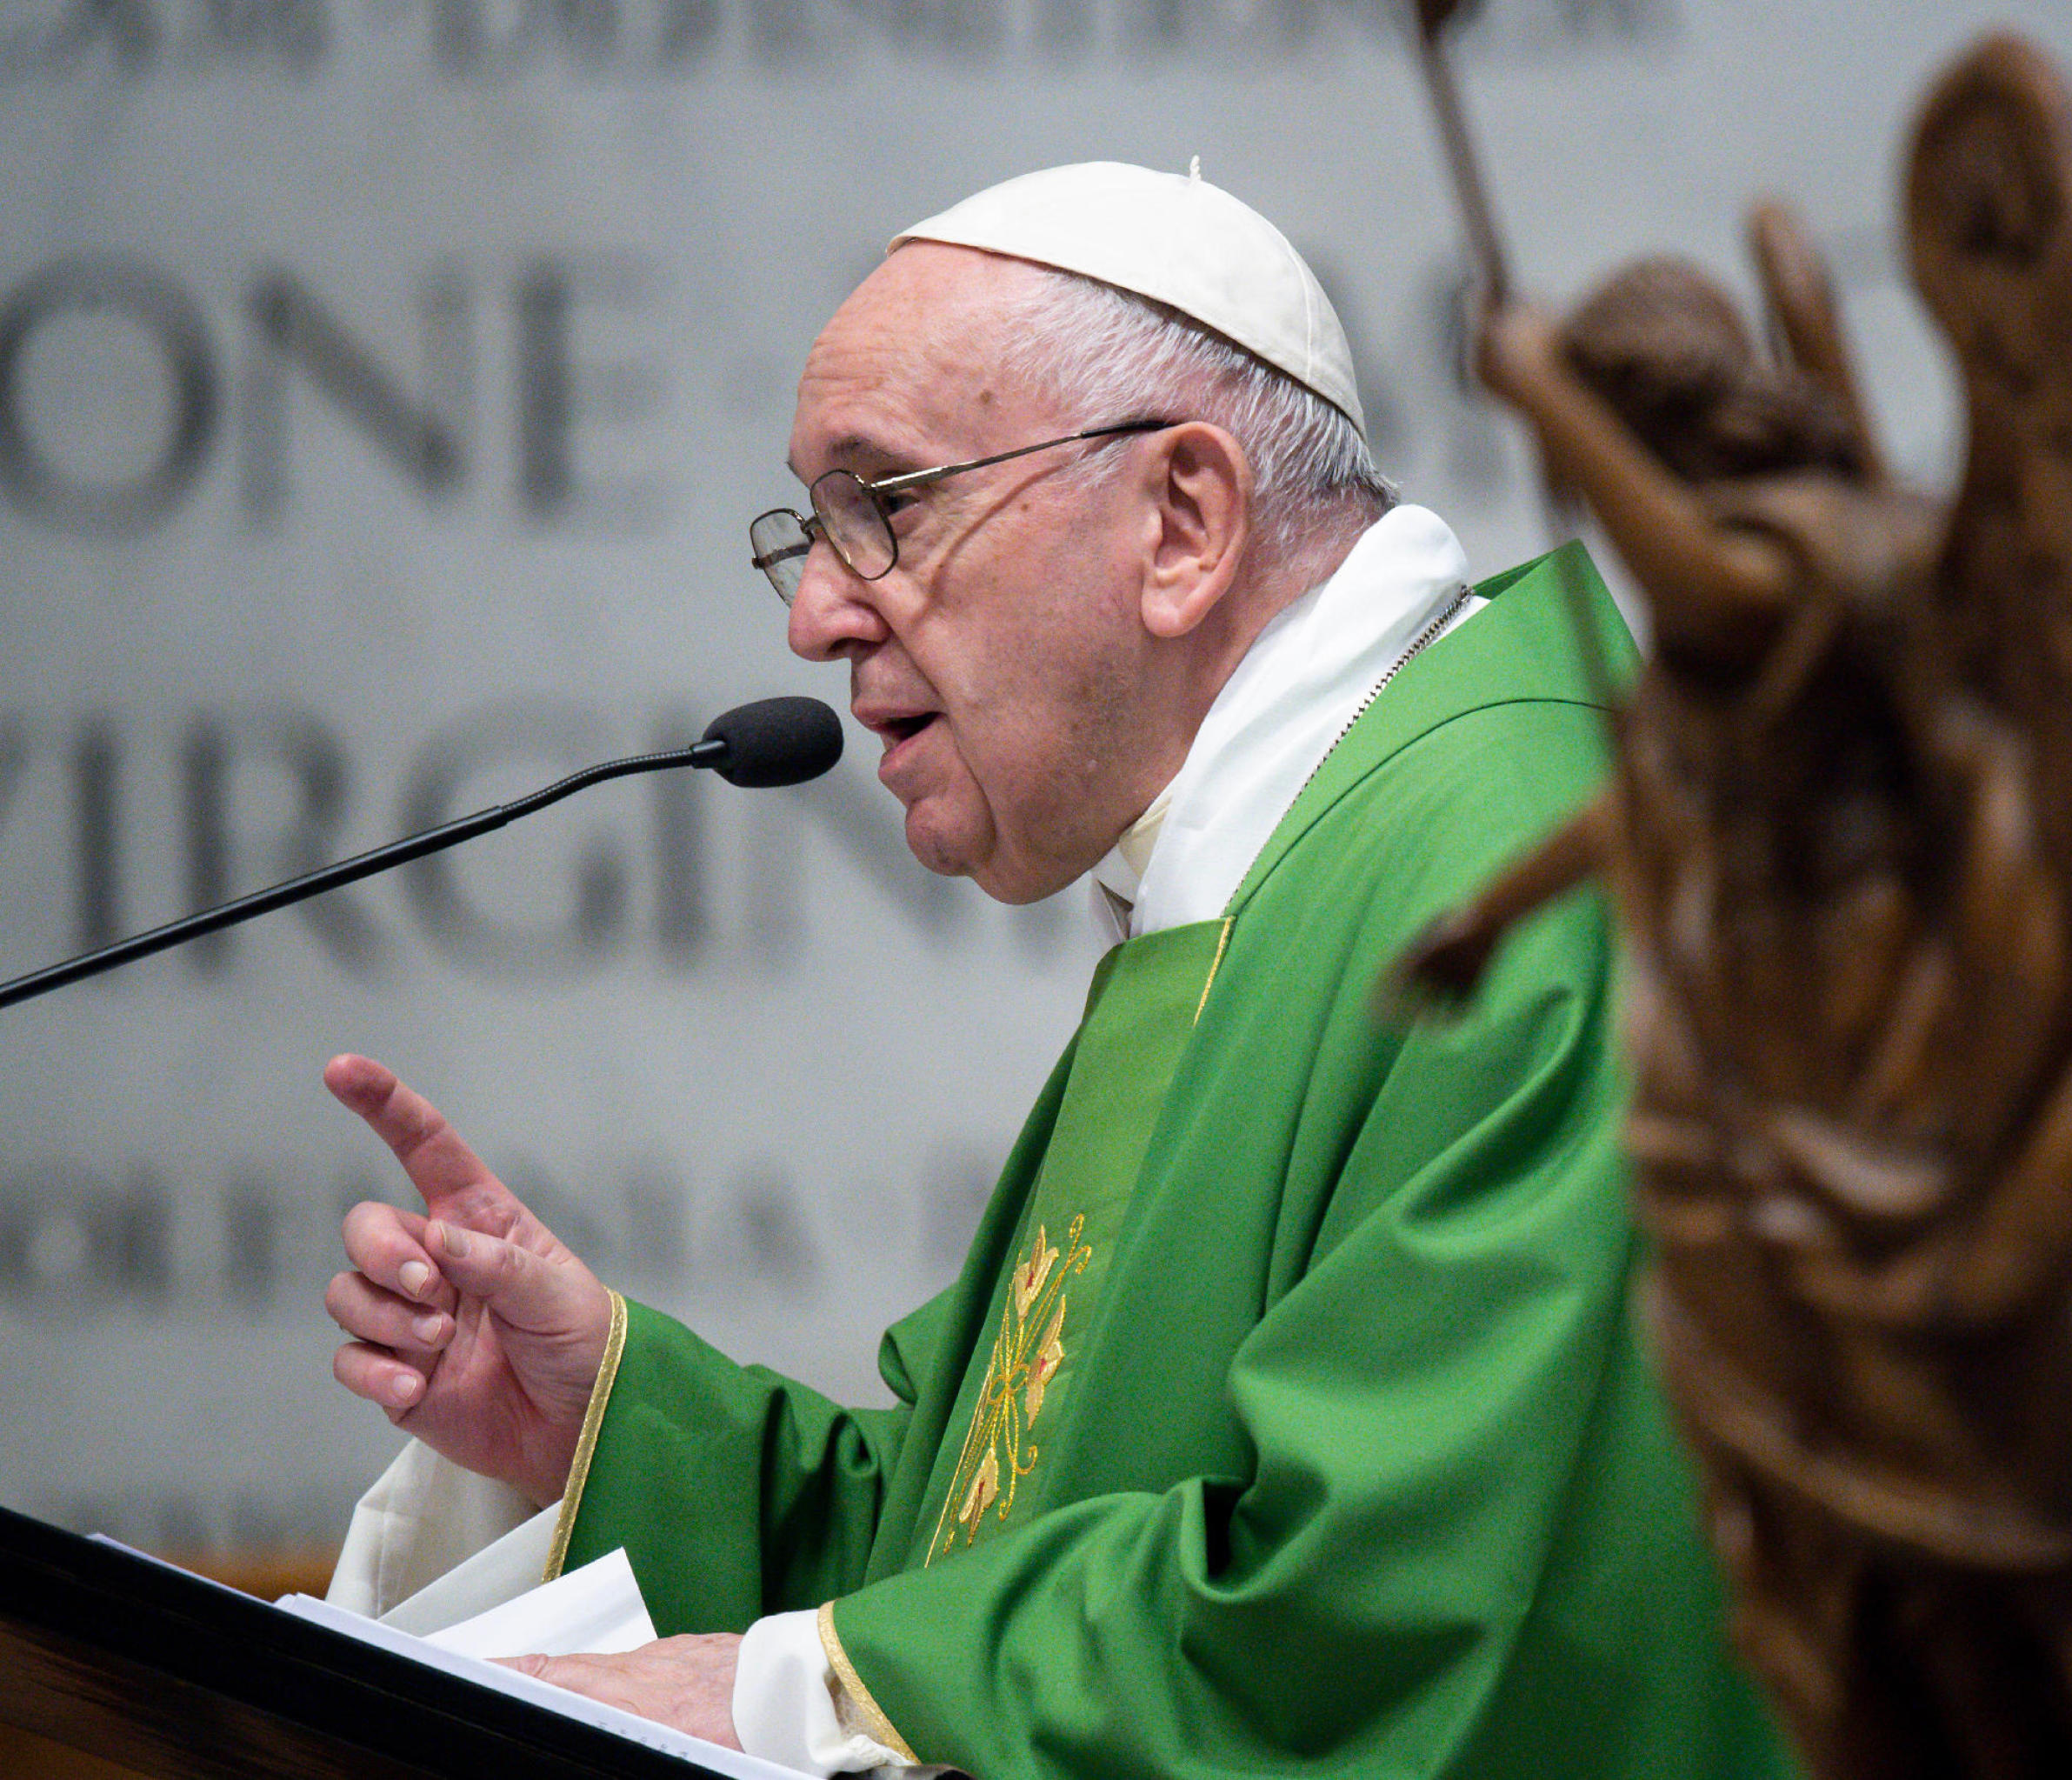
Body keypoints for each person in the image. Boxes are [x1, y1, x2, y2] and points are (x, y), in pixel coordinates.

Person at [318, 161, 1795, 1778]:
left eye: (887, 505)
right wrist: (609, 1419)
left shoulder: (1524, 876)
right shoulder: (1268, 874)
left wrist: (798, 1687)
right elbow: (996, 1530)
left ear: (1183, 521)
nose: (816, 613)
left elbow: (1411, 1623)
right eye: (807, 528)